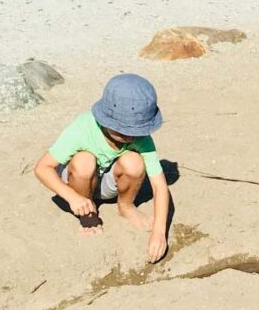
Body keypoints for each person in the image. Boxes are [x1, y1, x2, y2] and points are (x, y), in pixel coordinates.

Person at [34, 74, 169, 263]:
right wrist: (72, 197)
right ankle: (88, 212)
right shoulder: (82, 127)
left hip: (107, 182)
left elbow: (159, 186)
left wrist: (159, 232)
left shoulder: (141, 139)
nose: (131, 136)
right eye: (123, 131)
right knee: (84, 161)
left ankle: (126, 207)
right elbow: (42, 168)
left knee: (134, 162)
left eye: (136, 131)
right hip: (77, 181)